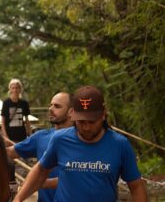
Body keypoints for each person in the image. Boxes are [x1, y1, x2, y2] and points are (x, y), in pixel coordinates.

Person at [13, 86, 148, 202]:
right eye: (81, 122)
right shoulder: (60, 140)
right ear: (72, 115)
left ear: (103, 115)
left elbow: (136, 185)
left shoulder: (119, 144)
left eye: (92, 122)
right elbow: (41, 170)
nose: (87, 127)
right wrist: (18, 198)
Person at [6, 92, 73, 202]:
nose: (51, 109)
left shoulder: (81, 139)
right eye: (50, 105)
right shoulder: (40, 137)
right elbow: (9, 152)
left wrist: (41, 182)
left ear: (71, 111)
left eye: (57, 106)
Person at [1, 78, 31, 144]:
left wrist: (30, 134)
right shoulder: (6, 103)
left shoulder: (24, 103)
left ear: (20, 89)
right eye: (13, 88)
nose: (15, 90)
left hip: (21, 135)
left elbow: (27, 120)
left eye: (17, 88)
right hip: (10, 135)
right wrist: (5, 135)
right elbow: (3, 121)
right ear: (10, 89)